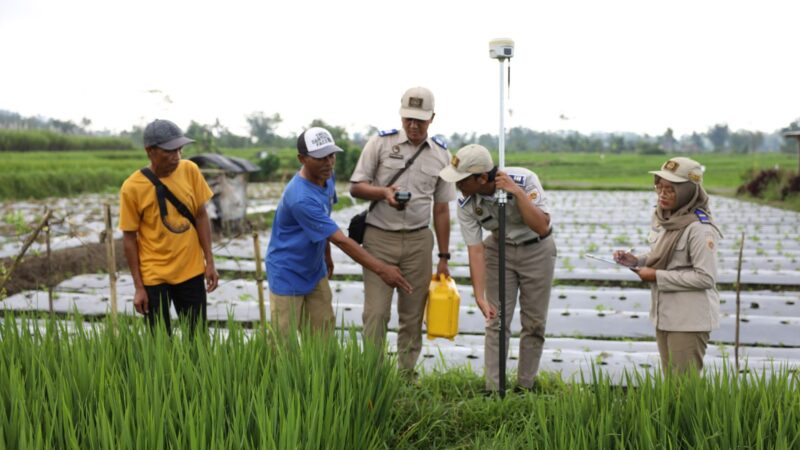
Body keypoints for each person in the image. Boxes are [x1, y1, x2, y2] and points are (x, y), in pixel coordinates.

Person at [350, 86, 455, 374]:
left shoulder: (442, 155)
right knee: (376, 312)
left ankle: (406, 374)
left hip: (419, 242)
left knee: (412, 315)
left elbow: (442, 208)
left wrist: (443, 257)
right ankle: (372, 374)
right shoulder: (380, 144)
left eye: (420, 120)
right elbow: (356, 187)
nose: (413, 125)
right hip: (379, 239)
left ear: (431, 118)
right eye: (408, 118)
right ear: (401, 115)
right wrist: (384, 193)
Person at [267, 127, 412, 336]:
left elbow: (325, 219)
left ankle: (322, 370)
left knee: (323, 335)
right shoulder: (300, 197)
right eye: (320, 158)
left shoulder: (327, 177)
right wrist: (381, 269)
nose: (328, 163)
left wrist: (325, 255)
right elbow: (341, 241)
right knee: (283, 344)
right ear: (302, 159)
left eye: (331, 155)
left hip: (314, 270)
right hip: (287, 272)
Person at [439, 144, 556, 392]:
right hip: (497, 249)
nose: (458, 186)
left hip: (536, 249)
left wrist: (517, 193)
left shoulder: (524, 179)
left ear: (482, 178)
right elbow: (476, 249)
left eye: (462, 180)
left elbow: (542, 227)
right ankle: (494, 388)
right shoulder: (466, 203)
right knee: (496, 319)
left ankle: (525, 385)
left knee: (534, 323)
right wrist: (479, 296)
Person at [613, 157, 722, 374]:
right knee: (671, 387)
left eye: (670, 189)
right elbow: (662, 255)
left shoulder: (699, 228)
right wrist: (637, 260)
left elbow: (705, 278)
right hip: (665, 315)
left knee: (683, 388)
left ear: (687, 191)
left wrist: (656, 276)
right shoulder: (666, 219)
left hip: (689, 320)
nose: (662, 194)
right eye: (659, 187)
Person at [119, 119, 219, 334]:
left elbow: (201, 216)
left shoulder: (190, 170)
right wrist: (138, 287)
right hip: (154, 275)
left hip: (191, 271)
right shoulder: (132, 187)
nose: (177, 156)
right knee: (160, 343)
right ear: (150, 151)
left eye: (180, 149)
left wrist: (209, 261)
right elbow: (129, 239)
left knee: (197, 339)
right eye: (169, 151)